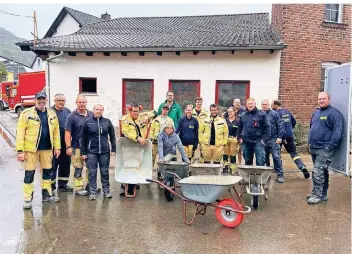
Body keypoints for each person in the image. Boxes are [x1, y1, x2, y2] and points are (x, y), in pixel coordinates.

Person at [16, 92, 61, 209]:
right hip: (31, 150)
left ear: (46, 100)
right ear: (35, 100)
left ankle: (46, 195)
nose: (41, 101)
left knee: (47, 173)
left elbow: (56, 132)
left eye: (43, 99)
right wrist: (20, 151)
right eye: (39, 99)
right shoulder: (26, 113)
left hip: (47, 149)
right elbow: (20, 132)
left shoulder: (52, 113)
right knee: (29, 174)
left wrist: (57, 147)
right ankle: (27, 199)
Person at [307, 92, 343, 204]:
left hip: (325, 149)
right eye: (319, 99)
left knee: (317, 171)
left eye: (323, 99)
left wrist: (329, 146)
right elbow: (312, 128)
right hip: (314, 147)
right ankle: (321, 193)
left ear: (329, 99)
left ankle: (317, 195)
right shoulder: (316, 113)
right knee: (322, 171)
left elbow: (338, 132)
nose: (321, 101)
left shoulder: (334, 113)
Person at [80, 103, 116, 200]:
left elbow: (112, 136)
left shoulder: (107, 122)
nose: (98, 111)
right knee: (92, 172)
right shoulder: (87, 122)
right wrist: (83, 153)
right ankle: (92, 192)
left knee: (104, 171)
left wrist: (113, 149)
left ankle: (106, 191)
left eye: (100, 109)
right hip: (91, 151)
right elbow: (83, 138)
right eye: (97, 109)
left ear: (102, 111)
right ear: (93, 110)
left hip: (104, 152)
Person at [120, 102, 156, 194]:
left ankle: (135, 182)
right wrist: (137, 138)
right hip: (129, 146)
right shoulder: (124, 119)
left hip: (141, 147)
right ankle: (125, 184)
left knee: (138, 164)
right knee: (129, 164)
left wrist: (148, 117)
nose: (136, 113)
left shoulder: (142, 115)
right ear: (129, 110)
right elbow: (125, 132)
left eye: (137, 111)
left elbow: (155, 112)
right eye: (134, 111)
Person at [271, 99, 310, 179]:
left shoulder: (275, 113)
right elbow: (294, 121)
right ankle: (302, 167)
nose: (271, 106)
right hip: (290, 135)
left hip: (279, 136)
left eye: (272, 105)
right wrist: (289, 130)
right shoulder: (287, 111)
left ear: (276, 105)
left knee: (277, 154)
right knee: (293, 153)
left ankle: (278, 170)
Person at [65, 94, 94, 196]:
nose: (82, 104)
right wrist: (68, 147)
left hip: (90, 147)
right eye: (80, 102)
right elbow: (67, 132)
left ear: (86, 103)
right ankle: (78, 188)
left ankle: (90, 186)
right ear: (76, 103)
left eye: (83, 102)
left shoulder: (92, 114)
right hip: (76, 146)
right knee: (78, 167)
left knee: (91, 167)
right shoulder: (71, 116)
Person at [237, 98, 270, 166]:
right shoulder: (243, 115)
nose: (250, 105)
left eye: (252, 103)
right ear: (246, 105)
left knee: (260, 161)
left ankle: (259, 176)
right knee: (247, 160)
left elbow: (267, 127)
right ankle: (249, 175)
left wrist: (264, 140)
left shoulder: (262, 114)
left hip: (258, 141)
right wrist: (239, 137)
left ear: (255, 104)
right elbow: (240, 127)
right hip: (246, 141)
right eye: (249, 104)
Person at [50, 93, 73, 193]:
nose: (61, 102)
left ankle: (63, 186)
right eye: (59, 100)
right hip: (53, 143)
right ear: (54, 101)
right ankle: (51, 186)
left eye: (63, 100)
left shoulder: (68, 111)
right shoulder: (49, 111)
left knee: (65, 164)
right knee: (53, 165)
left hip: (65, 143)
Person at [261, 100, 285, 183]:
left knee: (276, 157)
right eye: (263, 104)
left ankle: (280, 175)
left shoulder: (274, 114)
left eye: (266, 104)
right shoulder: (260, 114)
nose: (264, 106)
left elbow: (280, 125)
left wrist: (279, 137)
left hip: (273, 139)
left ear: (269, 105)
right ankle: (266, 174)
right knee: (264, 158)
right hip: (263, 139)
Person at [223, 106, 240, 175]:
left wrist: (238, 138)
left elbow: (240, 130)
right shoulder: (224, 120)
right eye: (228, 112)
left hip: (234, 140)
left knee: (233, 156)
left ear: (234, 112)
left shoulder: (238, 121)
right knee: (225, 155)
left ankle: (233, 171)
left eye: (231, 112)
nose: (230, 113)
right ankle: (225, 169)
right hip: (226, 139)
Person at [191, 97, 209, 162]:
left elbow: (208, 123)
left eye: (200, 102)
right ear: (195, 103)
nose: (199, 103)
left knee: (203, 149)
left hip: (202, 133)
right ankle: (191, 163)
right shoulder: (191, 112)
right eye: (198, 102)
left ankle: (202, 163)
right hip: (193, 133)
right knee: (192, 149)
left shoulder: (206, 112)